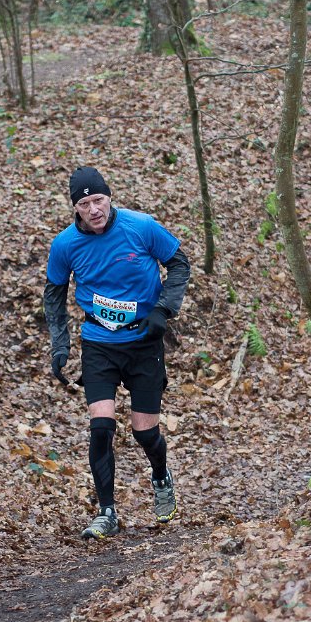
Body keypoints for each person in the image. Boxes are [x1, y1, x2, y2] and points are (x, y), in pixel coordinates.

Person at [44, 167, 190, 540]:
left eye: (99, 200)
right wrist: (60, 345)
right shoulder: (65, 245)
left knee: (145, 431)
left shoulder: (141, 227)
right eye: (84, 204)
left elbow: (179, 264)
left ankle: (161, 476)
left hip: (143, 342)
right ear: (75, 208)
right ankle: (106, 512)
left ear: (109, 197)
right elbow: (54, 295)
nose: (94, 209)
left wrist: (163, 310)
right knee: (101, 426)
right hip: (99, 343)